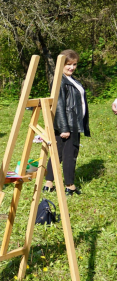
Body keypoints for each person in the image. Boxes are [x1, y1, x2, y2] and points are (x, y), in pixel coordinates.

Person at [43, 50, 90, 196]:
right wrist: (64, 127)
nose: (72, 67)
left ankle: (48, 184)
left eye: (74, 64)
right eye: (69, 64)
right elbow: (58, 105)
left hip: (72, 123)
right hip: (68, 125)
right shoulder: (59, 81)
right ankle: (70, 186)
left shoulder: (72, 80)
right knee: (71, 154)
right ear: (61, 65)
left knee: (58, 154)